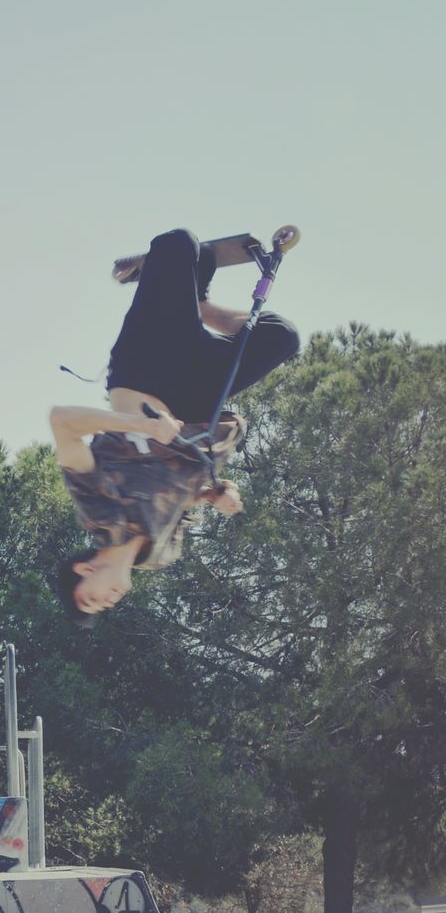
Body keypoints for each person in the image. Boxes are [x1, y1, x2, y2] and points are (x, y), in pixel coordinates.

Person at [50, 228, 300, 622]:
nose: (108, 602)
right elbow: (174, 492)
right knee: (281, 338)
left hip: (144, 371)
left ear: (85, 570)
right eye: (104, 608)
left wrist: (141, 426)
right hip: (198, 404)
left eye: (92, 599)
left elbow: (61, 422)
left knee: (177, 243)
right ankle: (198, 304)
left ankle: (161, 274)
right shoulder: (161, 555)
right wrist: (213, 496)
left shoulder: (97, 513)